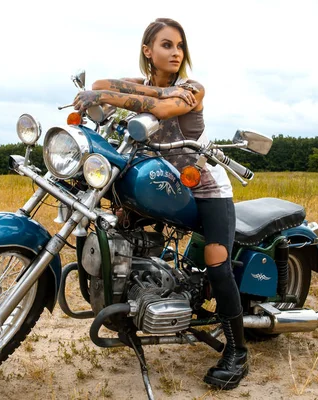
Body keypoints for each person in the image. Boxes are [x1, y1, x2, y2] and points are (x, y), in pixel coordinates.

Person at [72, 17, 248, 390]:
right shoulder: (143, 85)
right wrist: (99, 93)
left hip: (203, 187)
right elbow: (104, 84)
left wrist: (104, 96)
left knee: (217, 263)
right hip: (161, 182)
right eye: (167, 45)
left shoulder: (191, 89)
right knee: (116, 227)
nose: (176, 52)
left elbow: (164, 108)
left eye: (180, 46)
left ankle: (237, 352)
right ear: (147, 51)